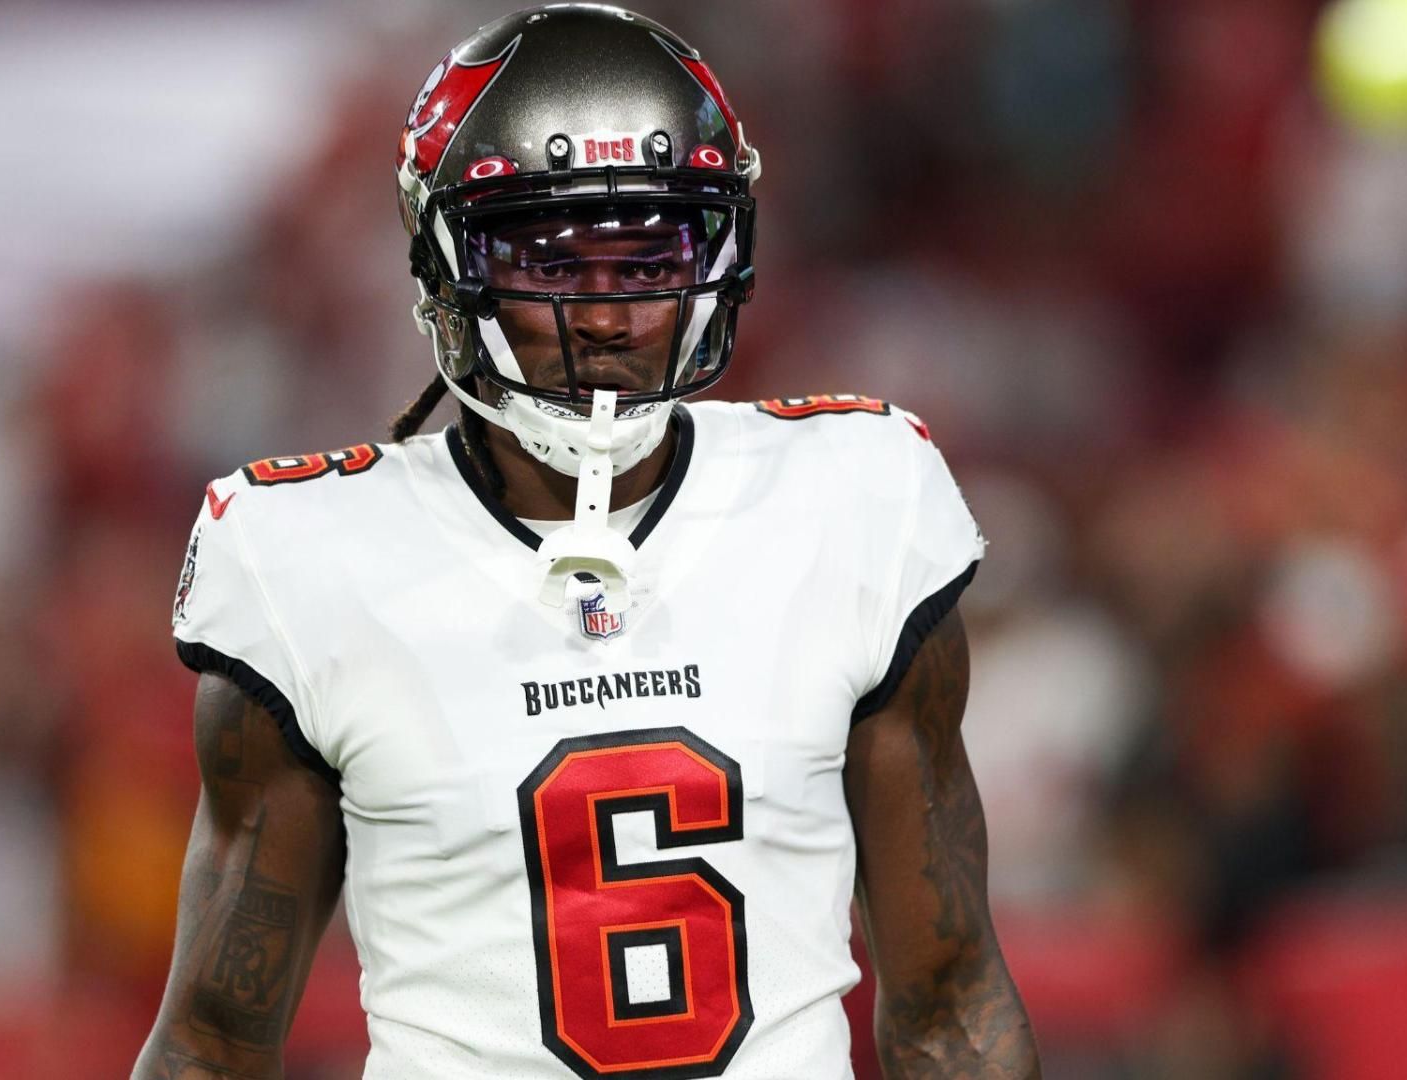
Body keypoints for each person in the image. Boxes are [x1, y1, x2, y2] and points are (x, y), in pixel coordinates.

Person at [134, 5, 1039, 1078]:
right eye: (553, 267)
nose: (605, 317)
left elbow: (948, 996)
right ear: (445, 266)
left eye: (652, 262)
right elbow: (214, 1042)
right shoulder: (309, 561)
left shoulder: (856, 500)